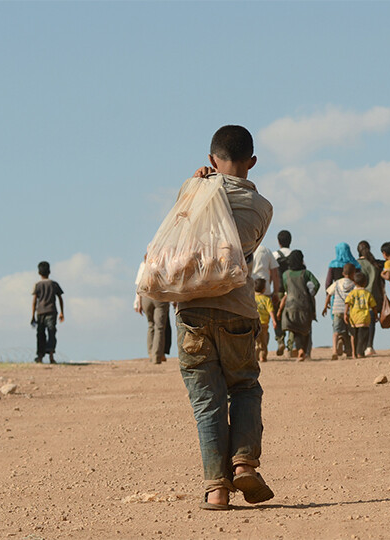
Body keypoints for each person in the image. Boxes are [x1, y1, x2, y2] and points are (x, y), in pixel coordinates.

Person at [178, 125, 274, 510]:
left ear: (210, 159)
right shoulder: (262, 208)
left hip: (193, 311)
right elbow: (241, 252)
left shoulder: (193, 191)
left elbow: (181, 231)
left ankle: (216, 490)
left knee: (208, 401)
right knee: (245, 387)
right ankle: (245, 463)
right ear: (252, 162)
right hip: (237, 309)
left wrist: (197, 182)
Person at [276, 250, 320, 362]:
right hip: (304, 305)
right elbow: (316, 284)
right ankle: (303, 351)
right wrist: (310, 294)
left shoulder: (285, 274)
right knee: (305, 329)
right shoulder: (306, 273)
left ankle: (299, 349)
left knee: (294, 329)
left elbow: (286, 288)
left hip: (290, 305)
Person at [31, 261, 64, 364]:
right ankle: (51, 357)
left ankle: (40, 357)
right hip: (51, 311)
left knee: (40, 335)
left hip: (40, 312)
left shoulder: (37, 285)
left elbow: (34, 301)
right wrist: (62, 312)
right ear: (49, 272)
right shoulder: (54, 284)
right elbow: (60, 298)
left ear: (39, 273)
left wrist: (32, 315)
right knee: (51, 333)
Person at [356, 241, 384, 356]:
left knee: (360, 321)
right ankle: (369, 346)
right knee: (372, 321)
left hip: (360, 296)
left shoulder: (357, 264)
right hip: (376, 295)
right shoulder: (375, 264)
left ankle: (359, 347)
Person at [322, 262, 356, 360]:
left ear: (343, 273)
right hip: (349, 311)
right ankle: (352, 352)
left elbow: (329, 293)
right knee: (351, 332)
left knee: (336, 331)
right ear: (353, 273)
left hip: (336, 309)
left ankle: (334, 351)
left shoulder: (337, 283)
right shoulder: (353, 285)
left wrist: (325, 306)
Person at [344, 271, 377, 358]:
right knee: (363, 337)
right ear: (365, 282)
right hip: (364, 318)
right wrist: (376, 315)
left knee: (354, 336)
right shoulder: (367, 294)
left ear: (354, 282)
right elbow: (373, 306)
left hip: (354, 318)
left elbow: (347, 303)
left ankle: (354, 353)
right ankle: (360, 352)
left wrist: (345, 314)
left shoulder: (352, 293)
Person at [272, 230, 292, 356]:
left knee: (276, 317)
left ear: (278, 242)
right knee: (290, 318)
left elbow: (272, 273)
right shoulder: (295, 255)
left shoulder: (274, 255)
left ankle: (280, 341)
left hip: (278, 291)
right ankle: (291, 346)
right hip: (291, 292)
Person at [134, 294, 171, 364]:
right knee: (159, 328)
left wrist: (138, 303)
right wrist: (174, 300)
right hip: (160, 297)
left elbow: (139, 285)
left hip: (146, 298)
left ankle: (151, 355)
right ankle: (156, 356)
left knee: (151, 326)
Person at [253, 278, 277, 363]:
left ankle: (255, 357)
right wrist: (274, 321)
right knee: (264, 341)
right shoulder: (267, 299)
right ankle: (263, 357)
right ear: (264, 289)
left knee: (255, 341)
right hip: (264, 324)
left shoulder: (252, 298)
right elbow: (270, 310)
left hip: (254, 323)